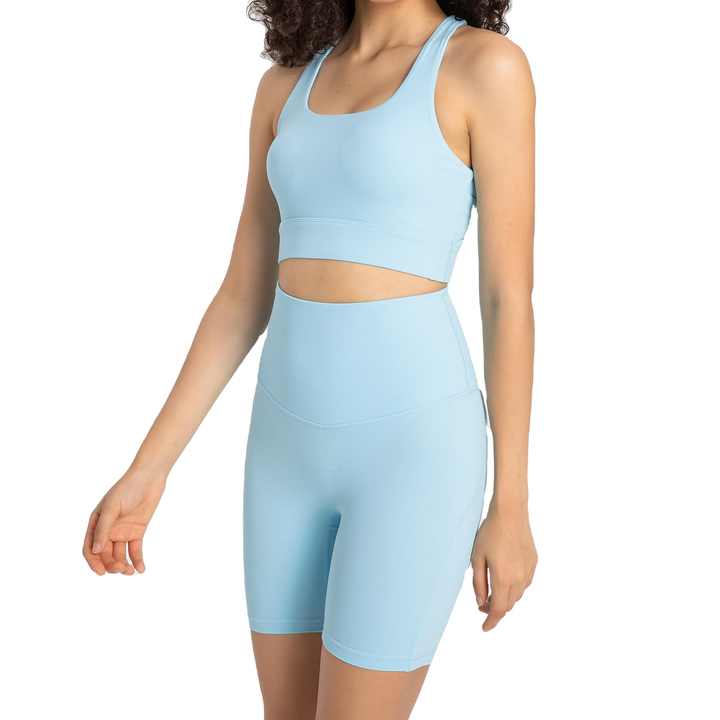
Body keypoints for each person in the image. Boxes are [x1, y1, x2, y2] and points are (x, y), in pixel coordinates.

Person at [82, 1, 538, 717]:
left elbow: (508, 299)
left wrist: (510, 503)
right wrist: (148, 469)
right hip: (283, 456)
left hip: (412, 454)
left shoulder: (483, 67)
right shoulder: (285, 85)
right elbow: (242, 294)